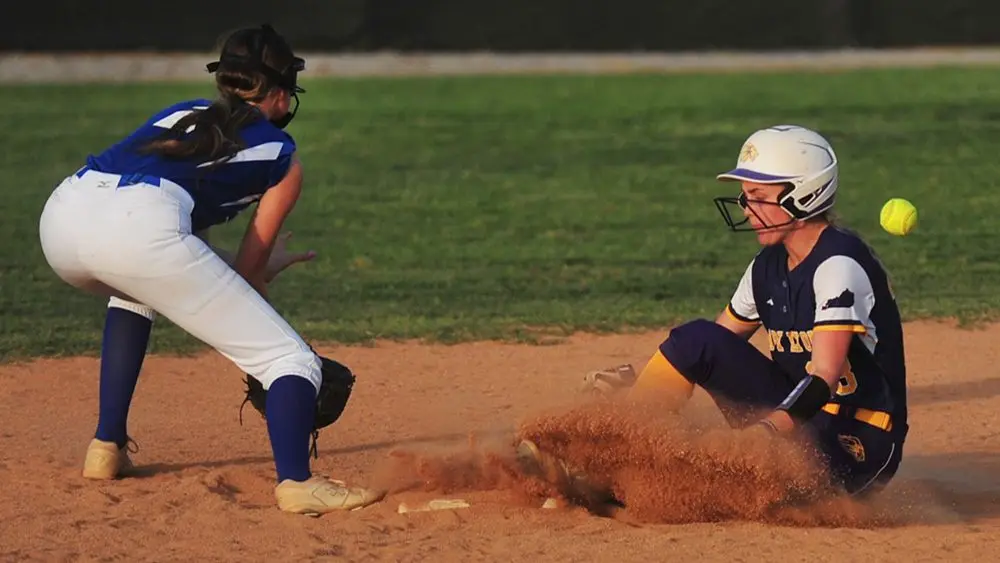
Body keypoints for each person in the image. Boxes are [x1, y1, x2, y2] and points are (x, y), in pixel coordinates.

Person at [37, 24, 384, 515]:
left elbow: (149, 223)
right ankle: (298, 483)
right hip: (141, 233)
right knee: (290, 360)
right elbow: (240, 276)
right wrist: (261, 269)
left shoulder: (181, 113)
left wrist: (244, 268)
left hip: (63, 217)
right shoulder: (283, 159)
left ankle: (106, 446)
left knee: (136, 289)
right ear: (283, 96)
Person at [520, 124, 908, 501]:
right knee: (696, 340)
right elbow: (711, 349)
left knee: (717, 468)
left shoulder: (839, 264)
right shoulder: (767, 267)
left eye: (757, 194)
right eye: (744, 194)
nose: (745, 206)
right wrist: (637, 384)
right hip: (798, 423)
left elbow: (824, 375)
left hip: (855, 446)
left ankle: (619, 478)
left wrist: (767, 433)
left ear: (803, 195)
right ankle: (609, 456)